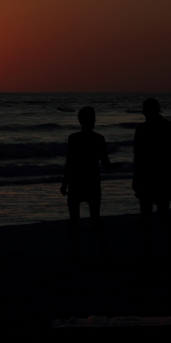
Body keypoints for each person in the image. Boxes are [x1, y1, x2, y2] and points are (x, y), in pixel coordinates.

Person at [60, 107, 120, 258]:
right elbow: (106, 165)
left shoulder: (73, 138)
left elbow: (70, 163)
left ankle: (75, 252)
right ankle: (104, 248)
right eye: (93, 118)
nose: (94, 120)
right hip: (92, 182)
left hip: (77, 181)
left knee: (74, 219)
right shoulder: (99, 138)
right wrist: (117, 166)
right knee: (95, 217)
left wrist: (65, 183)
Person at [133, 98, 171, 257]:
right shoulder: (169, 127)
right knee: (160, 213)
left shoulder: (143, 129)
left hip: (150, 177)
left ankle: (151, 248)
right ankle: (167, 244)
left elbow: (138, 157)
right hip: (158, 177)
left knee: (149, 214)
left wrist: (136, 178)